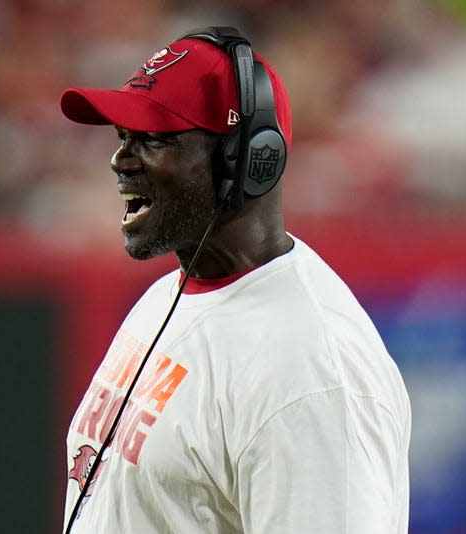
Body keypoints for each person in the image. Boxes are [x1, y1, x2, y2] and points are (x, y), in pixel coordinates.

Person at [59, 26, 410, 534]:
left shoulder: (309, 373)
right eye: (123, 138)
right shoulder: (166, 297)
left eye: (154, 139)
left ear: (247, 159)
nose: (121, 160)